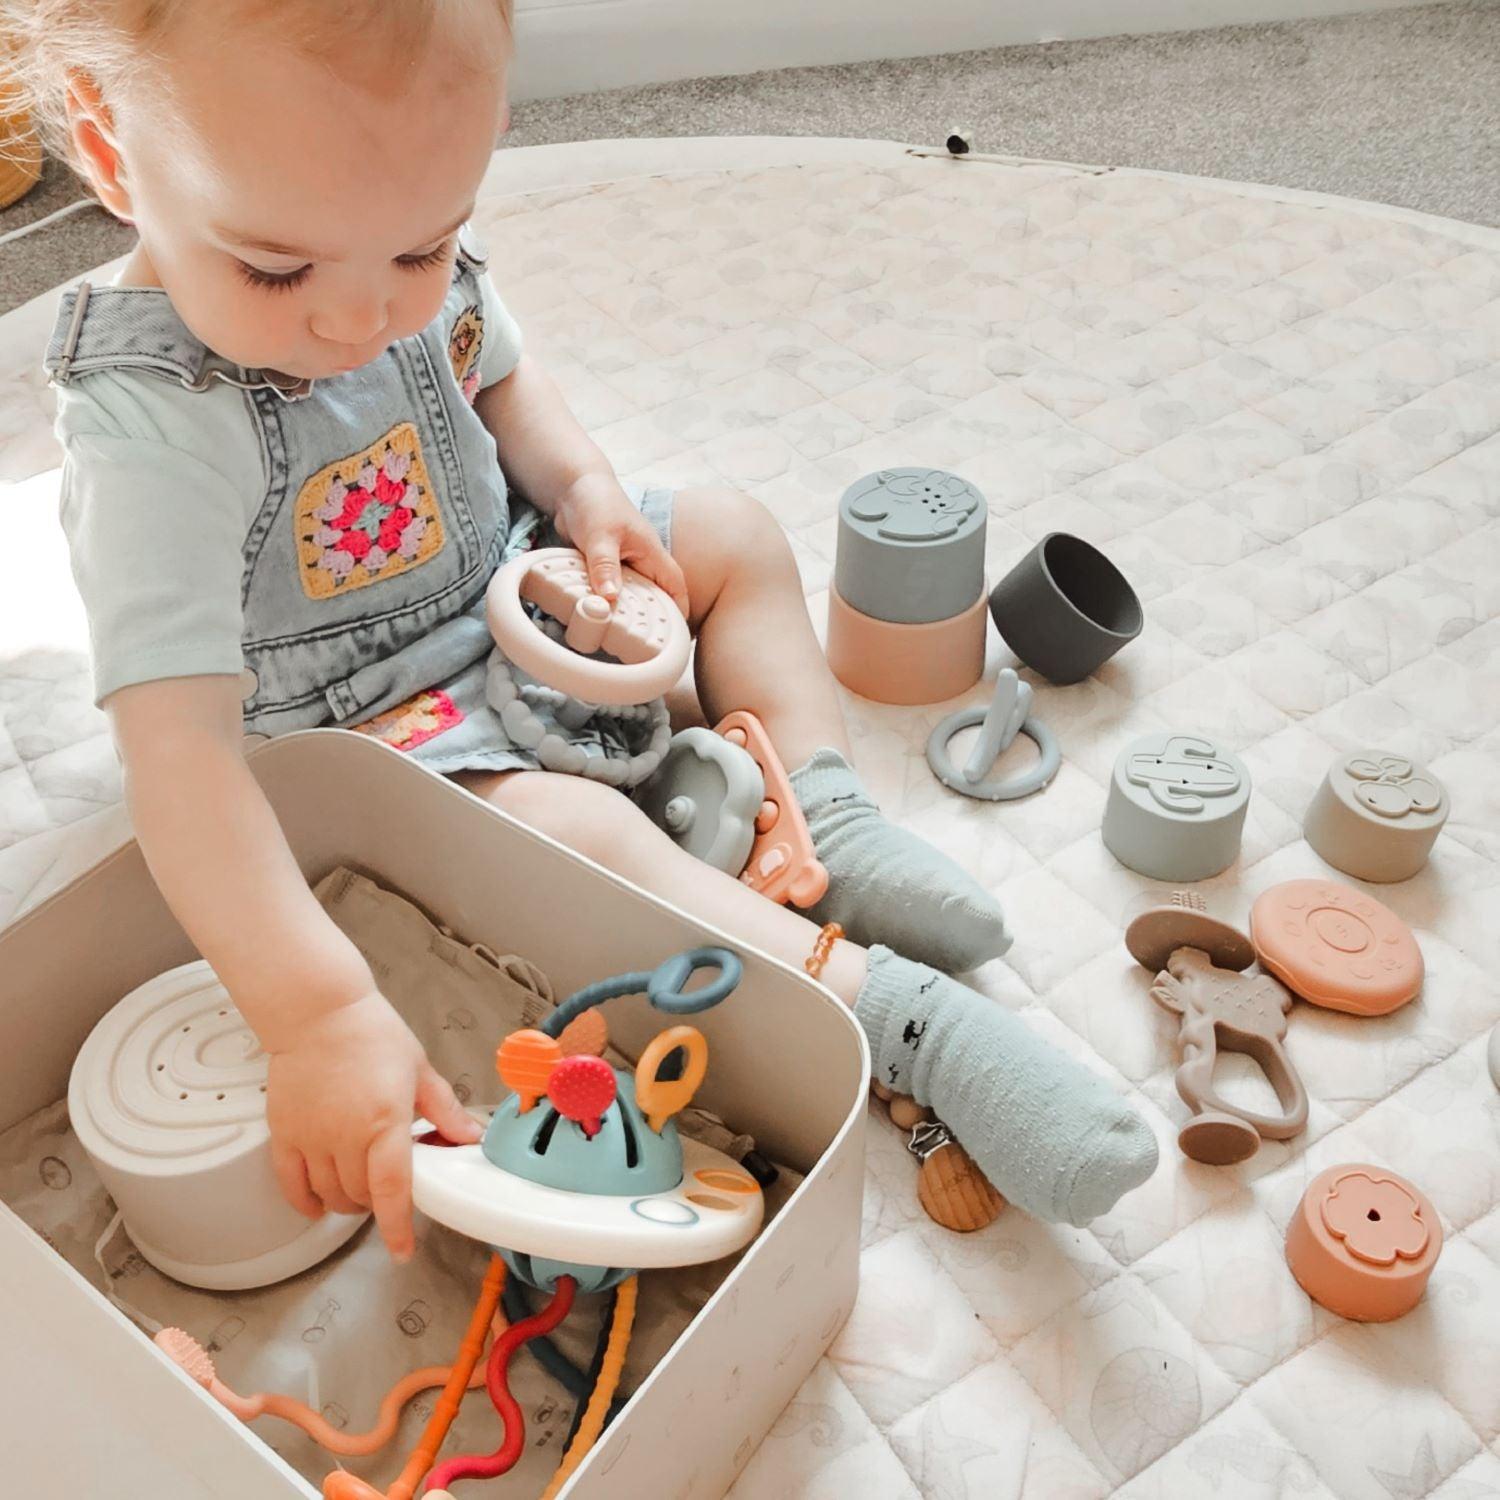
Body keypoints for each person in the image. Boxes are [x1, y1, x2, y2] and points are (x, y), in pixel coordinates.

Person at [11, 0, 1155, 1262]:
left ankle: (825, 818)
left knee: (730, 531)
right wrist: (319, 1013)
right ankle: (902, 1022)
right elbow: (180, 763)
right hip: (372, 730)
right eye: (277, 269)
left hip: (506, 578)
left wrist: (585, 486)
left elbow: (493, 373)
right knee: (588, 836)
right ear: (115, 153)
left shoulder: (373, 222)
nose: (362, 319)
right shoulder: (152, 429)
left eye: (423, 251)